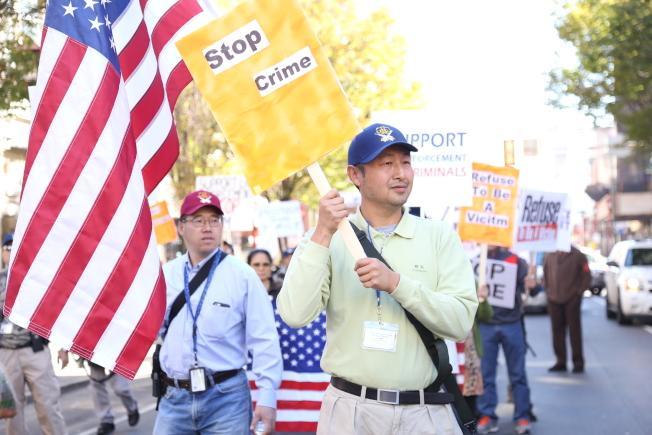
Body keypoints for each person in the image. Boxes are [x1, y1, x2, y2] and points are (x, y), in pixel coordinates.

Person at [278, 123, 478, 435]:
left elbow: (460, 323)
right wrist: (322, 233)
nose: (401, 173)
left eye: (406, 162)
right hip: (350, 412)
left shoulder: (438, 235)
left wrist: (398, 284)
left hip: (424, 413)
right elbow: (294, 314)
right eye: (387, 164)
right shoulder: (327, 236)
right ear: (355, 175)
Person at [153, 190, 282, 435]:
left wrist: (267, 397)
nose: (207, 227)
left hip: (226, 399)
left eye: (214, 220)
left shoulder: (243, 276)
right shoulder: (164, 276)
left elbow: (264, 339)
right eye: (198, 220)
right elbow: (150, 329)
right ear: (181, 227)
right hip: (174, 398)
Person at [0, 233, 68, 435]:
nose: (11, 253)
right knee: (12, 411)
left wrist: (63, 346)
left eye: (15, 248)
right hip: (6, 353)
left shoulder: (37, 277)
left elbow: (55, 312)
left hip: (35, 348)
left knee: (48, 406)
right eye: (7, 249)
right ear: (2, 253)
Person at [476, 246, 533, 435]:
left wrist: (531, 282)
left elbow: (532, 290)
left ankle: (522, 416)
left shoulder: (516, 260)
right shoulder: (476, 261)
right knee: (486, 374)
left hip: (512, 323)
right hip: (486, 324)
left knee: (517, 374)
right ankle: (487, 415)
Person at [543, 245, 591, 373]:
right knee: (557, 331)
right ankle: (560, 361)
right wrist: (548, 291)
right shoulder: (549, 255)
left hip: (571, 299)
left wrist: (578, 293)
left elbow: (586, 275)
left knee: (574, 331)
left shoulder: (578, 255)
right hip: (553, 298)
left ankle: (578, 362)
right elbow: (545, 273)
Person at [84, 361, 139, 434]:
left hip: (115, 354)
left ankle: (132, 408)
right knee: (97, 387)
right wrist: (65, 351)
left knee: (121, 388)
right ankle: (106, 420)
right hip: (94, 355)